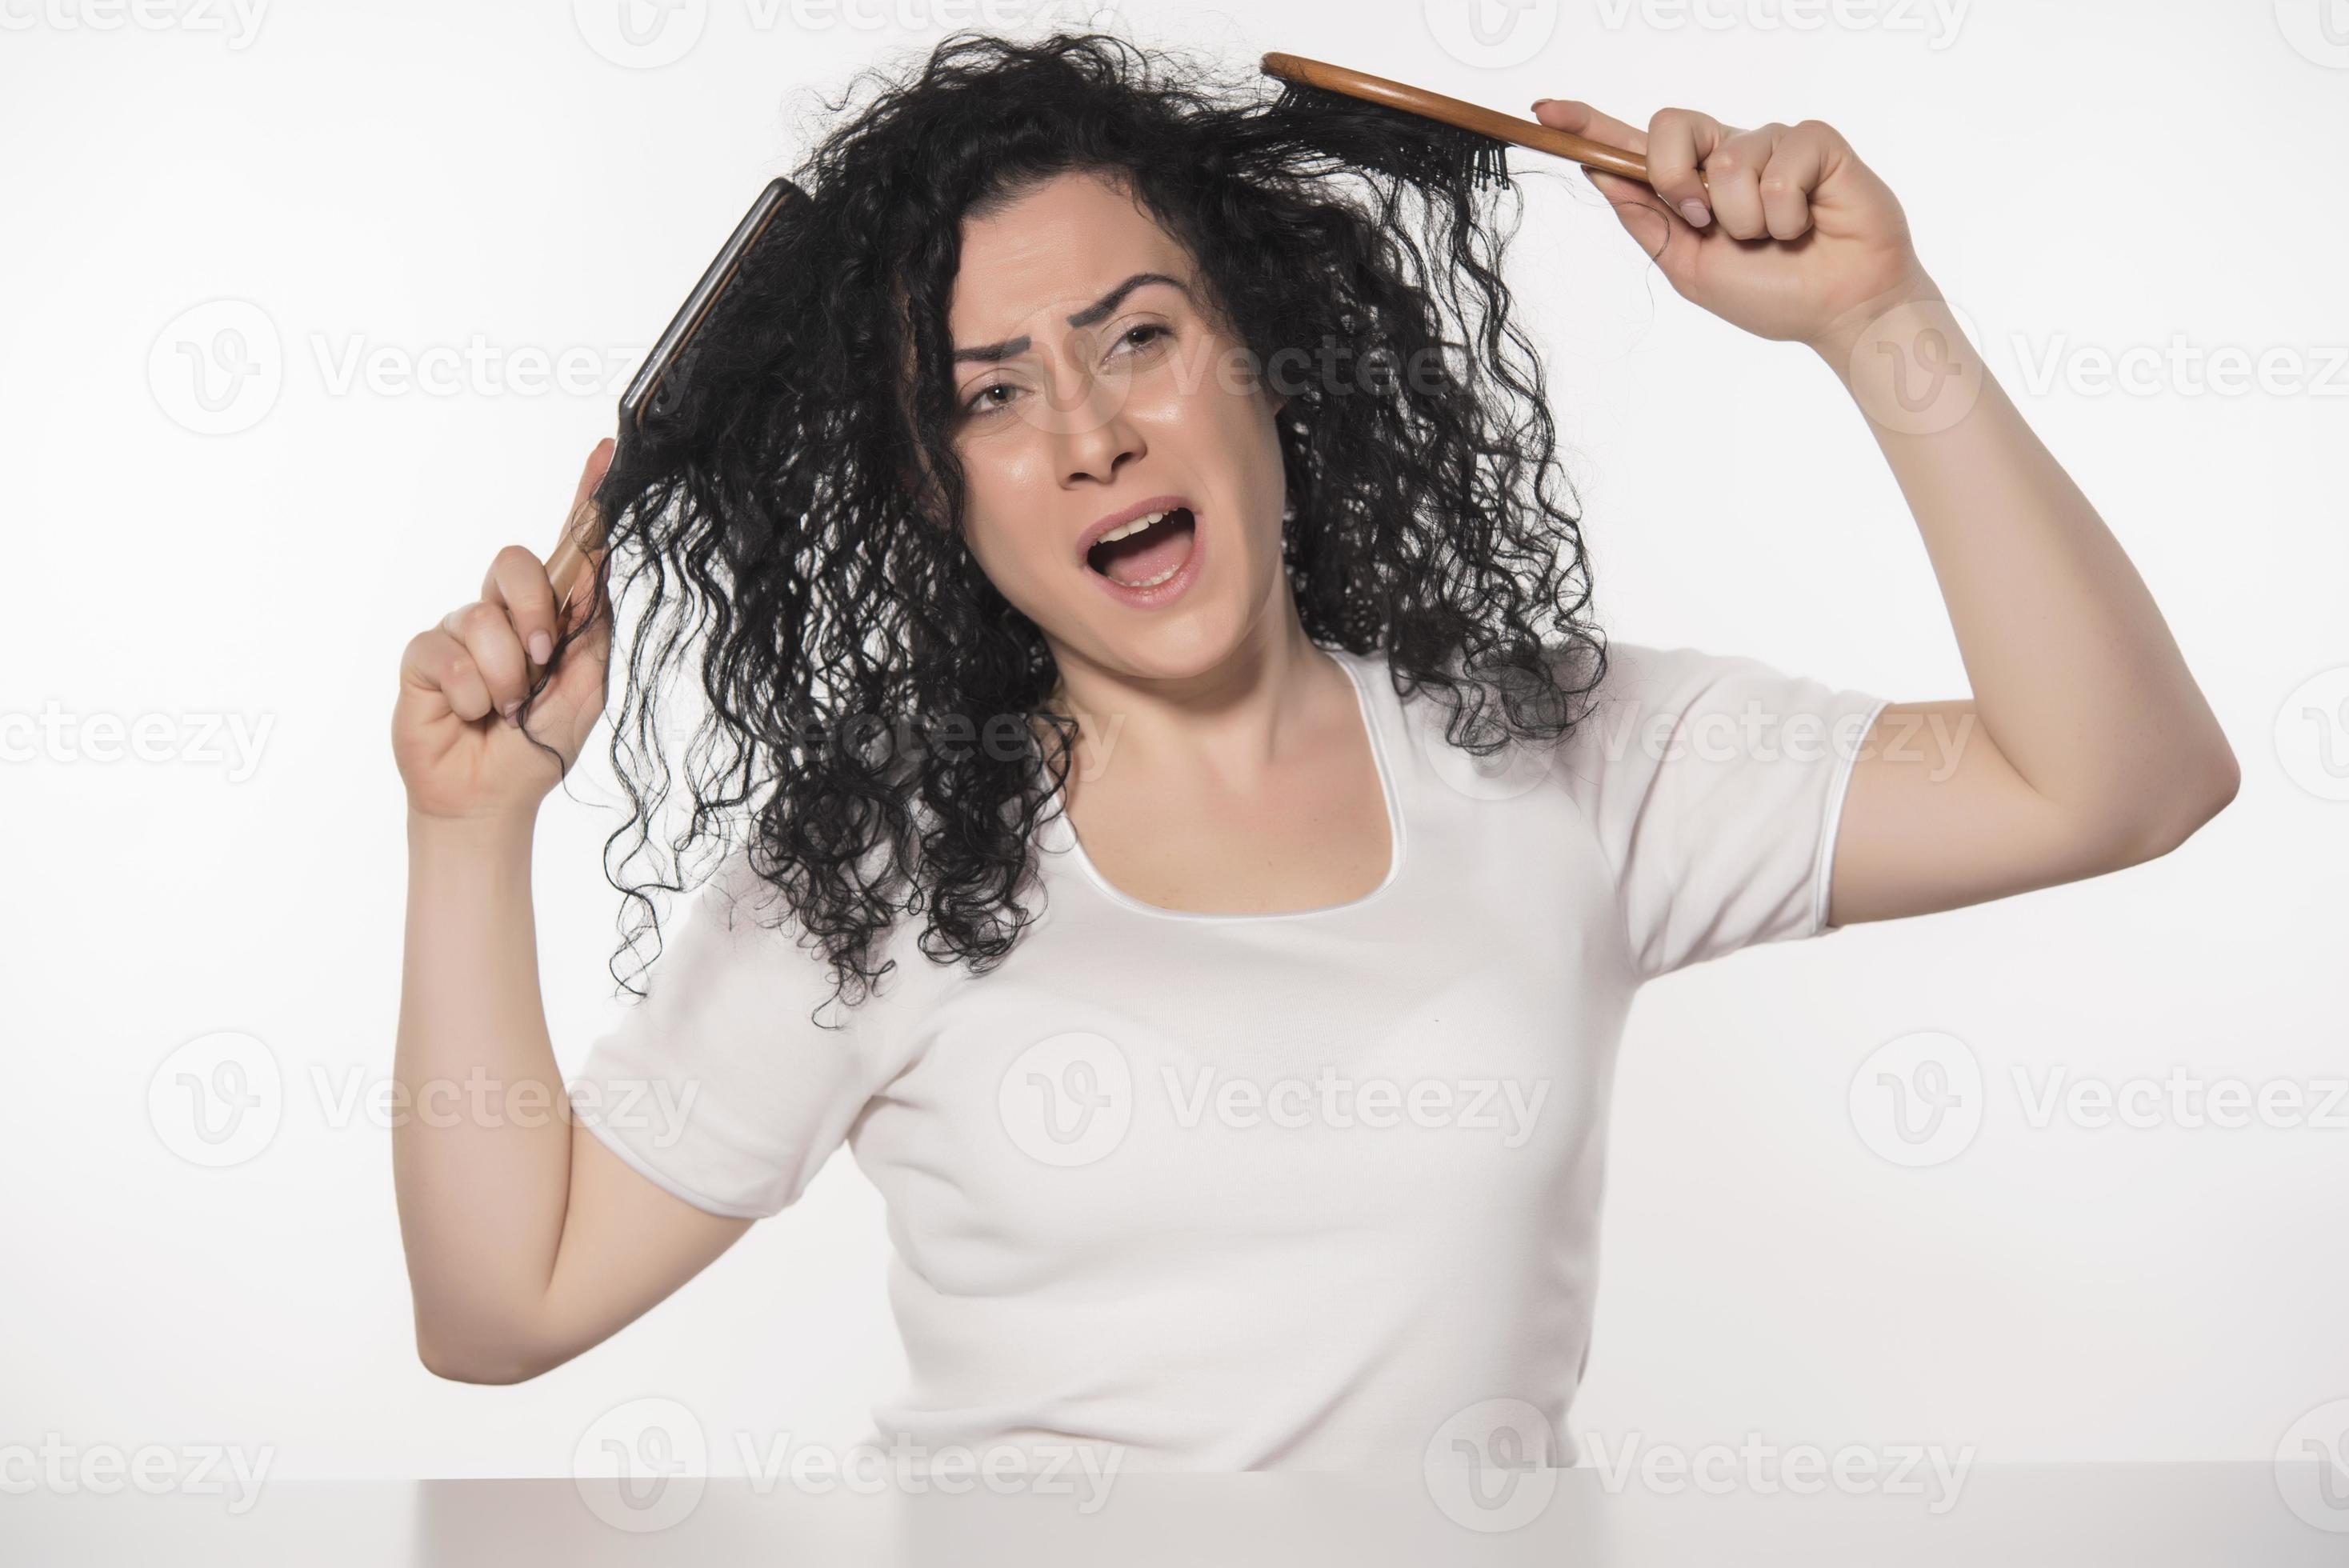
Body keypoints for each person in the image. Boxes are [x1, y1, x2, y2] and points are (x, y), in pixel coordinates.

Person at [388, 33, 2236, 1470]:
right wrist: (467, 834)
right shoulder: (881, 863)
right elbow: (501, 1305)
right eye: (993, 393)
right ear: (940, 492)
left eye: (1138, 337)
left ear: (1266, 359)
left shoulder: (1561, 749)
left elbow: (2118, 778)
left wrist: (1874, 322)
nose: (1096, 432)